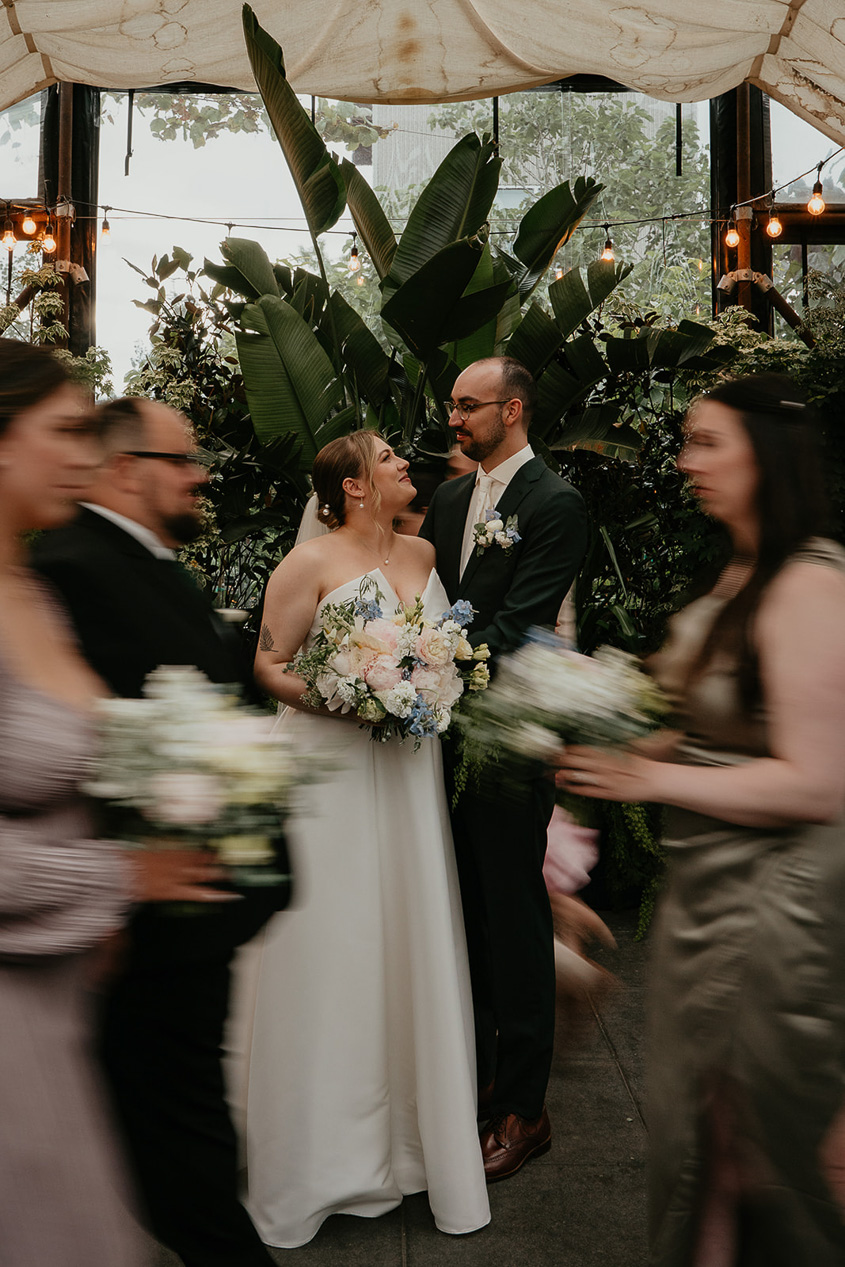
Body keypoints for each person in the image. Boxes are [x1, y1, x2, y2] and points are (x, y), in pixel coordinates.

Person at [558, 374, 845, 1265]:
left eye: (707, 441)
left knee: (766, 1146)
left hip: (776, 906)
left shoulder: (805, 585)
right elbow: (689, 721)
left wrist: (649, 775)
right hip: (709, 897)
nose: (685, 461)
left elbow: (817, 782)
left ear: (768, 456)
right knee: (709, 1144)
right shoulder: (737, 573)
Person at [33, 396, 290, 1267]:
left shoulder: (144, 562)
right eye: (179, 460)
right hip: (134, 939)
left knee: (186, 1161)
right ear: (123, 470)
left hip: (187, 927)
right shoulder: (70, 568)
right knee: (186, 1180)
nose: (200, 473)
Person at [0, 342, 228, 1265]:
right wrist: (121, 875)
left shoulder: (33, 593)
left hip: (63, 1002)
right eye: (64, 432)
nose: (86, 457)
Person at [234, 430, 490, 1247]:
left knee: (405, 939)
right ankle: (317, 1157)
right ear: (349, 486)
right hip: (330, 767)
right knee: (333, 942)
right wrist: (344, 699)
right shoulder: (305, 565)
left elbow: (441, 650)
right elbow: (270, 663)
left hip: (407, 768)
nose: (401, 463)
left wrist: (430, 679)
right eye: (384, 457)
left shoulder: (421, 552)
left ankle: (411, 1151)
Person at [419, 355, 588, 1180]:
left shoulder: (555, 504)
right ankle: (478, 1080)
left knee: (517, 924)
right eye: (452, 405)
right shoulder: (450, 498)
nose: (453, 419)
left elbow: (521, 626)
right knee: (464, 916)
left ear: (511, 409)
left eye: (467, 406)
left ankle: (525, 1107)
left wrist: (420, 667)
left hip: (508, 741)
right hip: (439, 737)